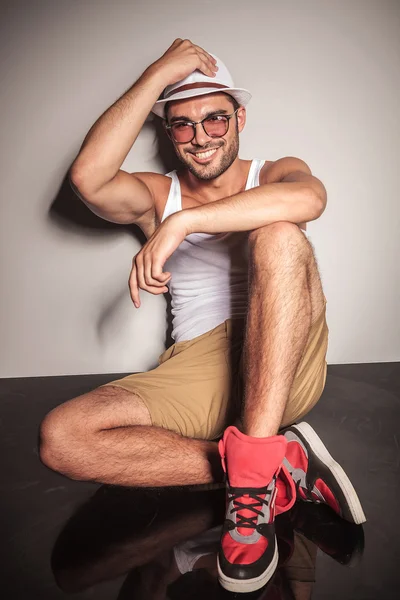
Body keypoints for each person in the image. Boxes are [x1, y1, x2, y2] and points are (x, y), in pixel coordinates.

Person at [39, 39, 366, 593]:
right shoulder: (156, 194)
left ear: (239, 118)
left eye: (215, 119)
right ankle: (277, 464)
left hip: (286, 352)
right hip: (196, 370)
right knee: (61, 438)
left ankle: (254, 489)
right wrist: (159, 73)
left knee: (281, 237)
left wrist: (184, 224)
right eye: (183, 125)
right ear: (169, 135)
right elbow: (88, 180)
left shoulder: (274, 170)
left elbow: (309, 200)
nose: (201, 136)